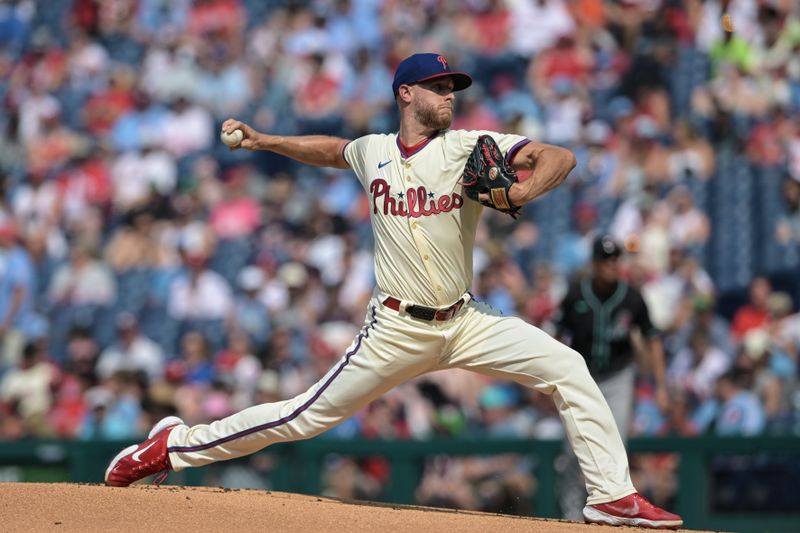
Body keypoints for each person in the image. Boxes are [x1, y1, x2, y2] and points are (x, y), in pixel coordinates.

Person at [104, 53, 682, 529]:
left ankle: (609, 494)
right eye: (437, 86)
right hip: (396, 327)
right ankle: (173, 446)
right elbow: (334, 150)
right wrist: (265, 139)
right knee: (302, 417)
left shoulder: (467, 147)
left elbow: (560, 156)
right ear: (406, 93)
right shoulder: (374, 150)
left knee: (569, 367)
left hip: (466, 320)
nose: (449, 95)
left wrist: (523, 193)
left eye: (453, 87)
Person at [555, 235, 670, 521]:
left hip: (619, 376)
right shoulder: (575, 294)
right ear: (594, 263)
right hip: (582, 376)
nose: (612, 264)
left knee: (615, 442)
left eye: (616, 258)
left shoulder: (631, 296)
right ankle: (571, 516)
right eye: (606, 259)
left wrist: (661, 386)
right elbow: (556, 337)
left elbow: (653, 339)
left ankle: (614, 510)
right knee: (573, 447)